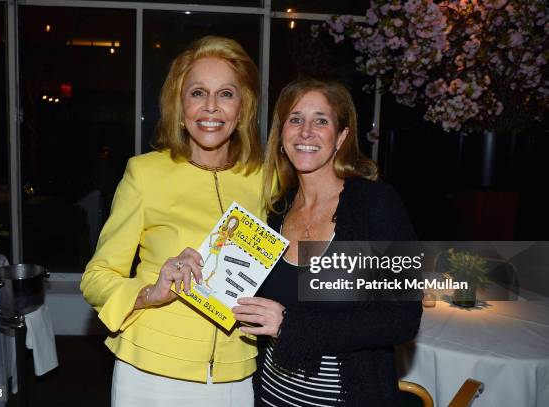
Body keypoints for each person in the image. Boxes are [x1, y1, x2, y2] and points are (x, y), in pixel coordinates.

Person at [80, 36, 264, 407]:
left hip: (235, 374)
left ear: (243, 108)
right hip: (151, 373)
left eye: (226, 94)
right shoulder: (145, 173)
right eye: (198, 93)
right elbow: (96, 277)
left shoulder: (264, 179)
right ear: (180, 107)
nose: (211, 107)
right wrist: (151, 293)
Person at [232, 78, 422, 406]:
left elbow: (401, 317)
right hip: (270, 398)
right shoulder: (275, 211)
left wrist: (290, 325)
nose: (306, 131)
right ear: (281, 136)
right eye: (295, 119)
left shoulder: (375, 204)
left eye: (321, 120)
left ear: (341, 137)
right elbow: (254, 300)